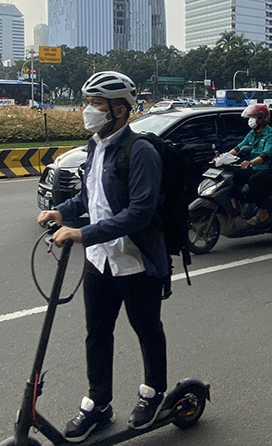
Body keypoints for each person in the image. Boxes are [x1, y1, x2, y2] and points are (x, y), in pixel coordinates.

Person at [35, 71, 169, 442]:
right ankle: (99, 403)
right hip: (99, 261)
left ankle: (154, 392)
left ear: (120, 111)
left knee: (146, 329)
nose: (88, 110)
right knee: (97, 333)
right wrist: (62, 212)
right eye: (88, 103)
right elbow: (91, 198)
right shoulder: (95, 146)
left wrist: (83, 233)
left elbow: (139, 212)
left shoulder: (139, 151)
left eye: (96, 104)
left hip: (136, 261)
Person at [224, 103, 272, 225]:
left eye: (253, 117)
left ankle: (262, 212)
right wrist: (222, 158)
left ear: (262, 118)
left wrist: (250, 162)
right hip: (257, 168)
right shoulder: (252, 134)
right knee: (234, 175)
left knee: (253, 180)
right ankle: (236, 205)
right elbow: (238, 148)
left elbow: (266, 155)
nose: (250, 120)